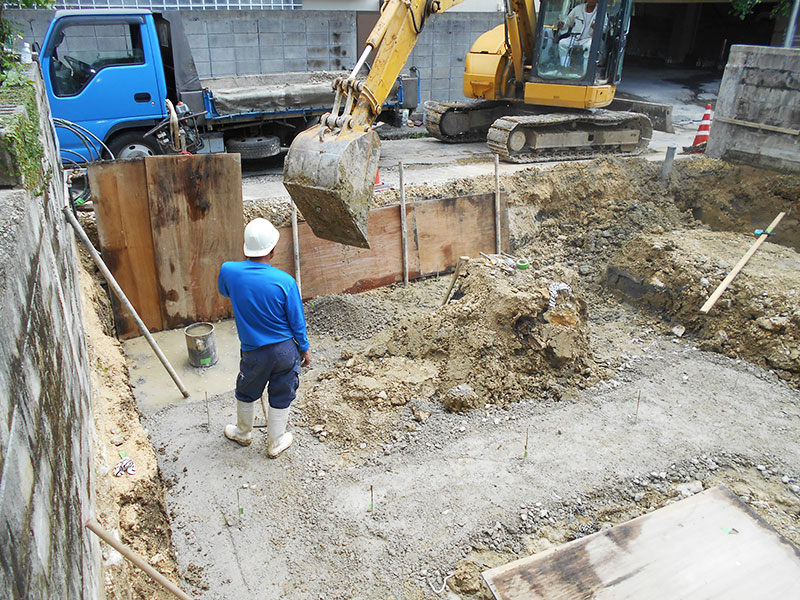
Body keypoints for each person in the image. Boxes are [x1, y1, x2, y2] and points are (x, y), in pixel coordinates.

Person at [218, 218, 311, 458]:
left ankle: (243, 432)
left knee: (246, 389)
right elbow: (296, 322)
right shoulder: (286, 282)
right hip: (284, 351)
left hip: (254, 352)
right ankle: (276, 442)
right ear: (272, 250)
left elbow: (225, 291)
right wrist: (304, 348)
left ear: (245, 247)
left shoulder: (229, 271)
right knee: (281, 393)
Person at [556, 0, 605, 70]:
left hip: (589, 38)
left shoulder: (601, 11)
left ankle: (585, 73)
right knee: (562, 43)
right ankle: (565, 69)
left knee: (589, 46)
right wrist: (562, 25)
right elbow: (568, 21)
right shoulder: (578, 9)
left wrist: (598, 27)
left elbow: (605, 27)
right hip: (575, 37)